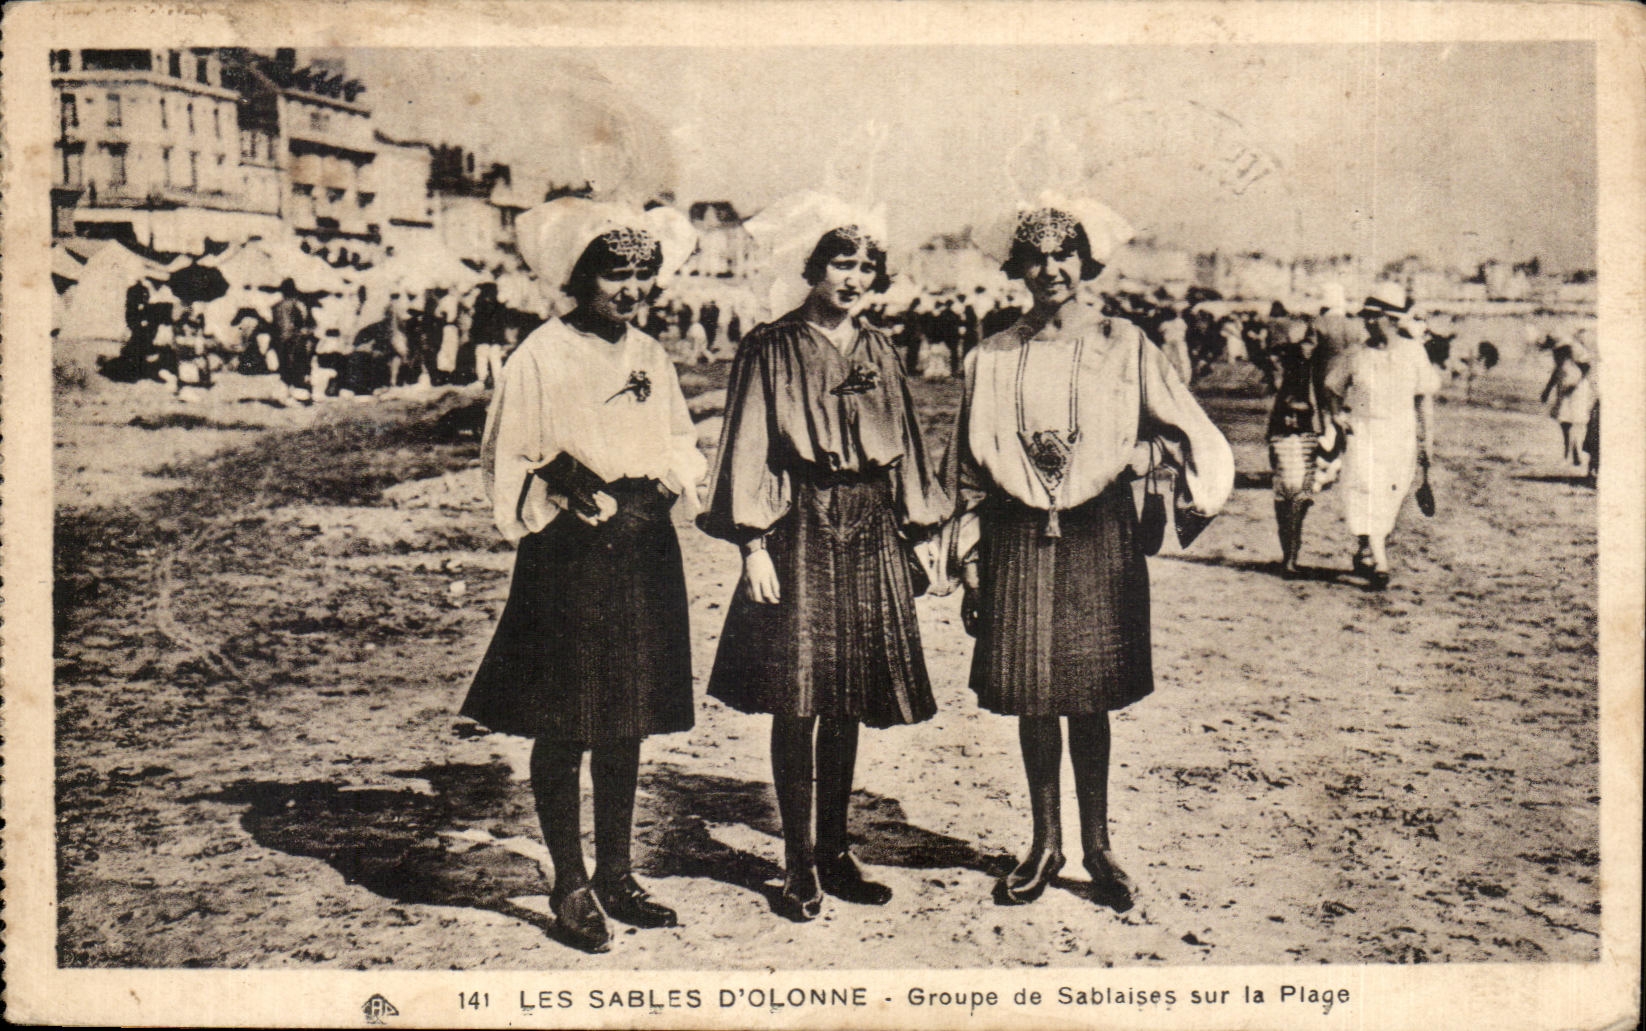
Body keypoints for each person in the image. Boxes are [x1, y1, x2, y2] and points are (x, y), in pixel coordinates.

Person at [943, 202, 1233, 908]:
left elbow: (1186, 429)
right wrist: (971, 560)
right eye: (1035, 257)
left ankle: (1098, 845)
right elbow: (967, 469)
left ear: (1086, 263)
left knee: (1089, 689)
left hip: (1098, 531)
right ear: (1017, 269)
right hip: (1017, 533)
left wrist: (1140, 454)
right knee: (1033, 692)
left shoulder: (1124, 342)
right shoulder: (990, 354)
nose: (1050, 269)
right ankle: (1045, 843)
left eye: (1064, 254)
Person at [460, 200, 706, 953]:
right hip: (569, 547)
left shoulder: (650, 354)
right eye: (613, 273)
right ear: (579, 276)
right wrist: (564, 484)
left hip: (640, 540)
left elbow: (678, 438)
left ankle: (617, 870)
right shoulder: (541, 352)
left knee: (626, 715)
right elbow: (508, 451)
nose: (629, 289)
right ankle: (569, 881)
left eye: (642, 274)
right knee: (568, 717)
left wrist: (663, 488)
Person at [700, 207, 948, 923]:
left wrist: (919, 530)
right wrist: (752, 546)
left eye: (867, 267)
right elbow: (747, 445)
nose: (854, 279)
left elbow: (903, 443)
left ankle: (836, 849)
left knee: (849, 698)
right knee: (799, 694)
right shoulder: (771, 346)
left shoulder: (880, 347)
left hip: (870, 525)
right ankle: (798, 861)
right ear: (812, 266)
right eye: (841, 263)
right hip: (800, 523)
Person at [1322, 283, 1439, 589]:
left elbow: (1423, 398)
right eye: (1366, 316)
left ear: (1390, 318)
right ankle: (1381, 562)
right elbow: (1332, 387)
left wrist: (1428, 439)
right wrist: (1338, 415)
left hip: (1401, 433)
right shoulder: (1356, 354)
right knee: (1366, 490)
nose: (1368, 321)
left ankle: (1367, 546)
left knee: (1391, 494)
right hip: (1364, 431)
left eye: (1374, 316)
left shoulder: (1414, 353)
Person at [1266, 324, 1326, 576]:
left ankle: (1289, 554)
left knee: (1293, 495)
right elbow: (1292, 402)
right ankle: (1290, 556)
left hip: (1297, 434)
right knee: (1294, 494)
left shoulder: (1308, 366)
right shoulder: (1298, 366)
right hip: (1294, 434)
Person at [1540, 336, 1595, 469]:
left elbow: (1586, 369)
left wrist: (1575, 385)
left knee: (1569, 424)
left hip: (1575, 395)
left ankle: (1568, 457)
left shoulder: (1576, 359)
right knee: (1566, 424)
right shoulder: (1560, 361)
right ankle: (1574, 455)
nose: (1555, 354)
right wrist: (1547, 390)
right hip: (1564, 394)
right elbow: (1555, 374)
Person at [270, 278, 314, 404]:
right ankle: (298, 395)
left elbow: (274, 326)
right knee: (297, 366)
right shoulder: (297, 304)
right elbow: (303, 321)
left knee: (284, 367)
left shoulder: (276, 306)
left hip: (280, 339)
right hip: (295, 338)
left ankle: (286, 394)